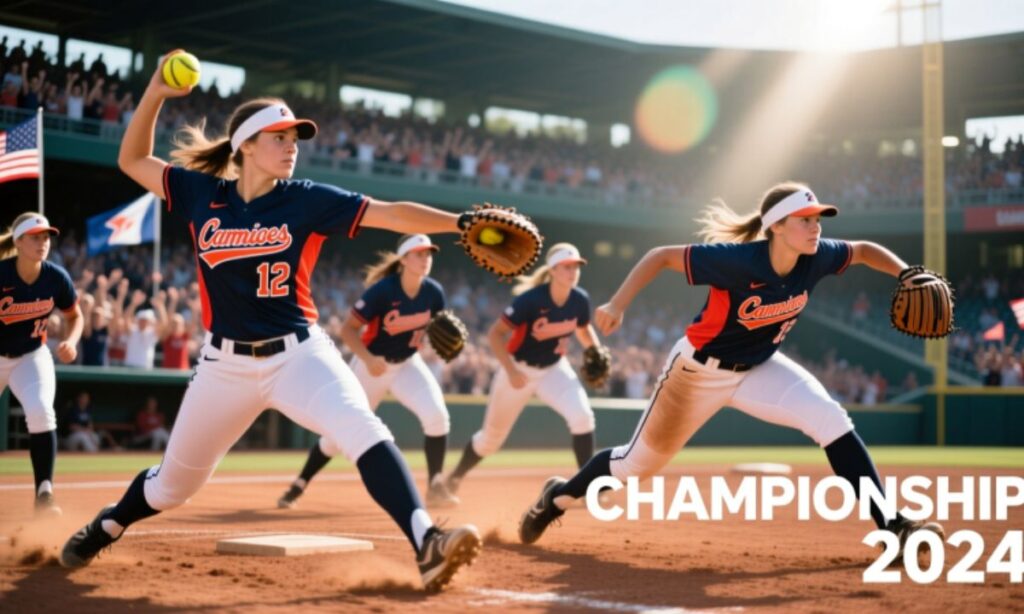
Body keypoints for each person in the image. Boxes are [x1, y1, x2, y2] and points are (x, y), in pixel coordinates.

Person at [60, 50, 483, 592]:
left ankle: (427, 541)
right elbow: (133, 160)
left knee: (364, 428)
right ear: (246, 146)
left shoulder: (305, 200)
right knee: (172, 489)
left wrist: (460, 223)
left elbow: (391, 212)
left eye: (295, 138)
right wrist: (155, 93)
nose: (292, 146)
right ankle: (108, 525)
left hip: (300, 355)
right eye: (280, 136)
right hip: (222, 367)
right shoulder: (200, 194)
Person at [517, 182, 945, 557]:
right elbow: (661, 256)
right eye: (806, 219)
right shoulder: (739, 261)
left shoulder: (817, 256)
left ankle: (892, 525)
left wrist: (906, 273)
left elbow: (867, 251)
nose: (816, 227)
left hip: (760, 367)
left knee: (831, 420)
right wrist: (617, 303)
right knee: (634, 466)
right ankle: (555, 499)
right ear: (776, 226)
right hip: (696, 374)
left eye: (819, 219)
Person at [278, 234, 459, 510]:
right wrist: (368, 357)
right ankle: (298, 484)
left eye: (429, 254)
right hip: (371, 366)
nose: (426, 259)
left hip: (407, 363)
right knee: (337, 434)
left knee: (437, 417)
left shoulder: (434, 292)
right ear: (404, 259)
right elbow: (348, 330)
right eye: (420, 254)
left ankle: (435, 485)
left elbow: (437, 329)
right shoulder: (383, 291)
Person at [444, 243, 604, 495]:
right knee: (490, 440)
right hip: (518, 368)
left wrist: (593, 350)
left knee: (583, 417)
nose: (573, 271)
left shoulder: (579, 299)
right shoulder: (531, 300)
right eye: (567, 266)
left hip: (554, 369)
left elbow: (583, 329)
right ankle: (452, 479)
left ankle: (587, 488)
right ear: (552, 270)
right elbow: (495, 334)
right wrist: (510, 370)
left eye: (576, 266)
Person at [0, 212, 83, 516]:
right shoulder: (2, 274)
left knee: (41, 412)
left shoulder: (55, 276)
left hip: (31, 356)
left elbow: (76, 316)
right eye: (35, 237)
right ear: (19, 242)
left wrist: (71, 341)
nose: (43, 242)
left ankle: (44, 495)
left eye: (46, 237)